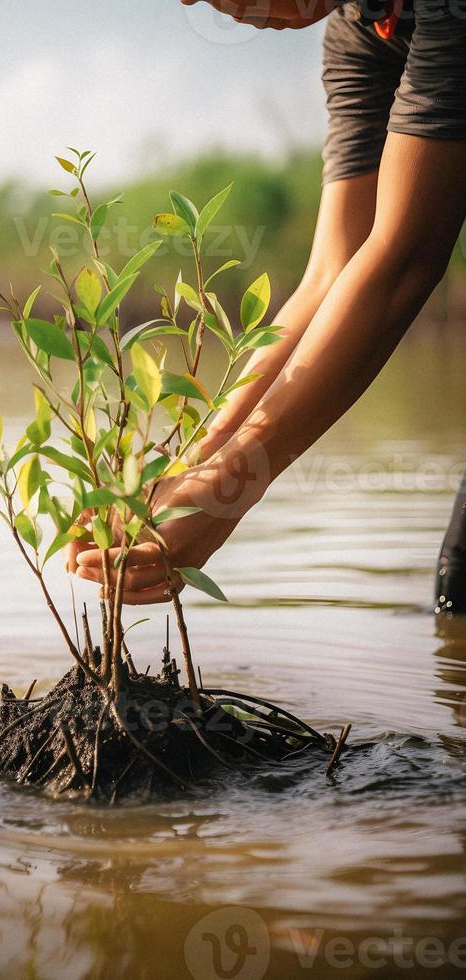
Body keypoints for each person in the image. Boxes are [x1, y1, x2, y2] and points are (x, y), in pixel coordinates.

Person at [69, 0, 466, 611]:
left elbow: (404, 261)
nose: (232, 10)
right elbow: (333, 270)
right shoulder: (357, 33)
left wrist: (230, 487)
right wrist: (186, 469)